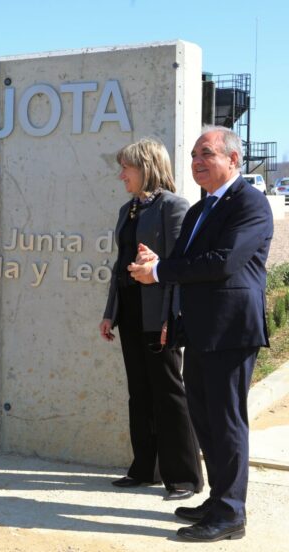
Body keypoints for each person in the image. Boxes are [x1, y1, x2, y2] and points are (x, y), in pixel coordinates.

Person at [129, 126, 273, 542]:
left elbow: (222, 262)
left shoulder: (250, 203)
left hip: (231, 329)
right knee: (205, 421)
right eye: (193, 154)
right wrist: (160, 261)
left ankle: (231, 515)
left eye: (206, 153)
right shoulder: (199, 209)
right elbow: (185, 262)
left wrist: (159, 271)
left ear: (233, 160)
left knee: (226, 423)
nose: (196, 161)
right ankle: (219, 500)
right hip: (201, 328)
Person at [100, 139, 202, 501]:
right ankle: (145, 469)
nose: (121, 174)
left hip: (158, 314)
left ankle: (185, 478)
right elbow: (119, 264)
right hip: (129, 310)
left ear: (146, 167)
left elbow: (176, 269)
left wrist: (168, 320)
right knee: (139, 393)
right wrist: (110, 313)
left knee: (169, 394)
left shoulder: (174, 207)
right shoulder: (127, 210)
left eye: (126, 167)